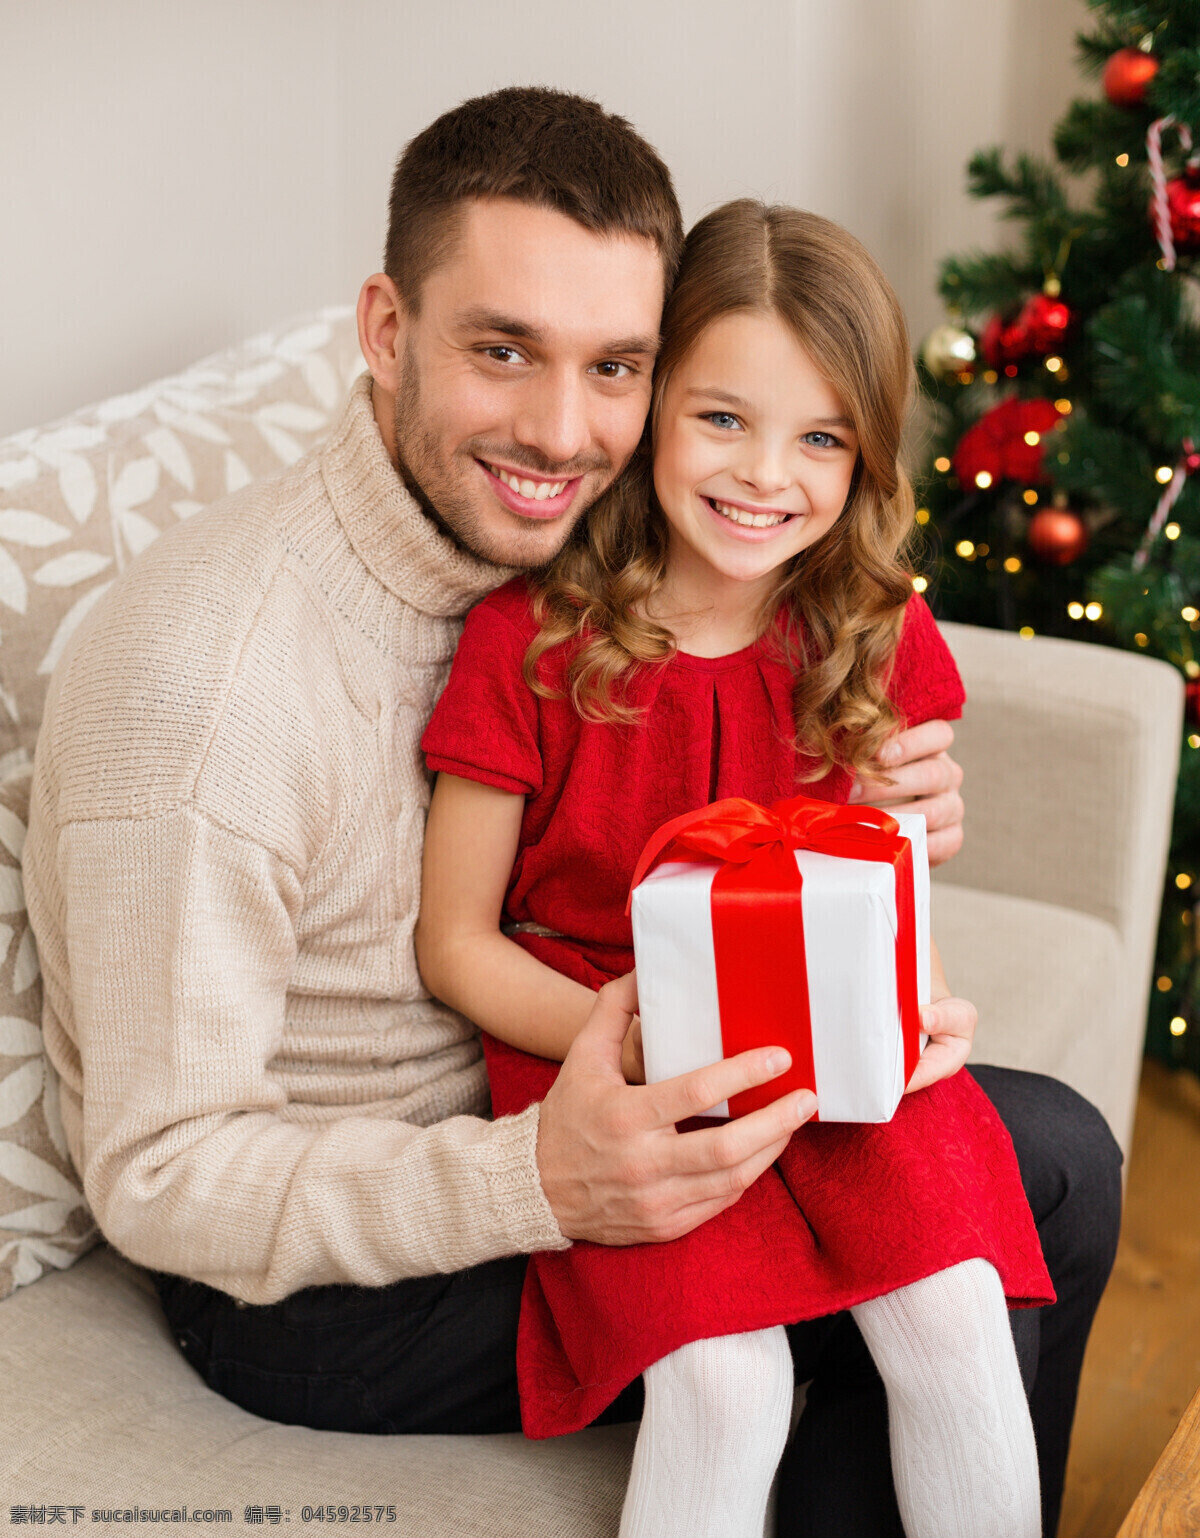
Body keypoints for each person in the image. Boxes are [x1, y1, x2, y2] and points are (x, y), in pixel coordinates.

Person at [20, 88, 1120, 1538]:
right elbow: (165, 1178)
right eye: (501, 350)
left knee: (1048, 1162)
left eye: (615, 366)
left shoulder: (550, 536)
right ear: (385, 330)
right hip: (335, 1271)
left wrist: (879, 825)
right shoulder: (203, 687)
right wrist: (541, 1177)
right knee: (980, 1219)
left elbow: (727, 721)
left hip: (590, 1075)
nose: (562, 428)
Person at [416, 199, 1054, 1538]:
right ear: (650, 407)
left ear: (865, 451)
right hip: (621, 1041)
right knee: (722, 1385)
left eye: (820, 437)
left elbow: (891, 862)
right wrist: (633, 1035)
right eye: (723, 419)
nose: (767, 474)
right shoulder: (526, 643)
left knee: (956, 1317)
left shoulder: (867, 624)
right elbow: (455, 943)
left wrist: (918, 987)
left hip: (831, 1039)